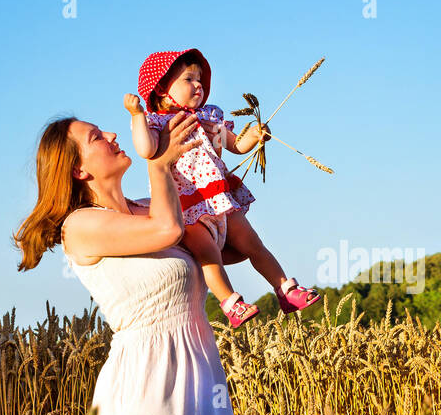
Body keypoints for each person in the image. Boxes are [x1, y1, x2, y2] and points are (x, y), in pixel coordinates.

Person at [12, 105, 245, 415]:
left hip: (202, 382)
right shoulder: (81, 226)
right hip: (147, 385)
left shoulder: (148, 205)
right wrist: (159, 164)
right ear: (78, 168)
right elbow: (169, 230)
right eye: (97, 136)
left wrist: (211, 162)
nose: (115, 134)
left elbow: (222, 246)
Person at [136, 48, 321, 327]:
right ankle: (231, 303)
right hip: (186, 205)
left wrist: (254, 135)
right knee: (207, 252)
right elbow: (146, 149)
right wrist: (136, 115)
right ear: (162, 88)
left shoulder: (210, 117)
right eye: (189, 79)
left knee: (252, 242)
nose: (198, 85)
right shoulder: (160, 123)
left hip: (219, 199)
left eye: (200, 79)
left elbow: (236, 145)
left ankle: (285, 289)